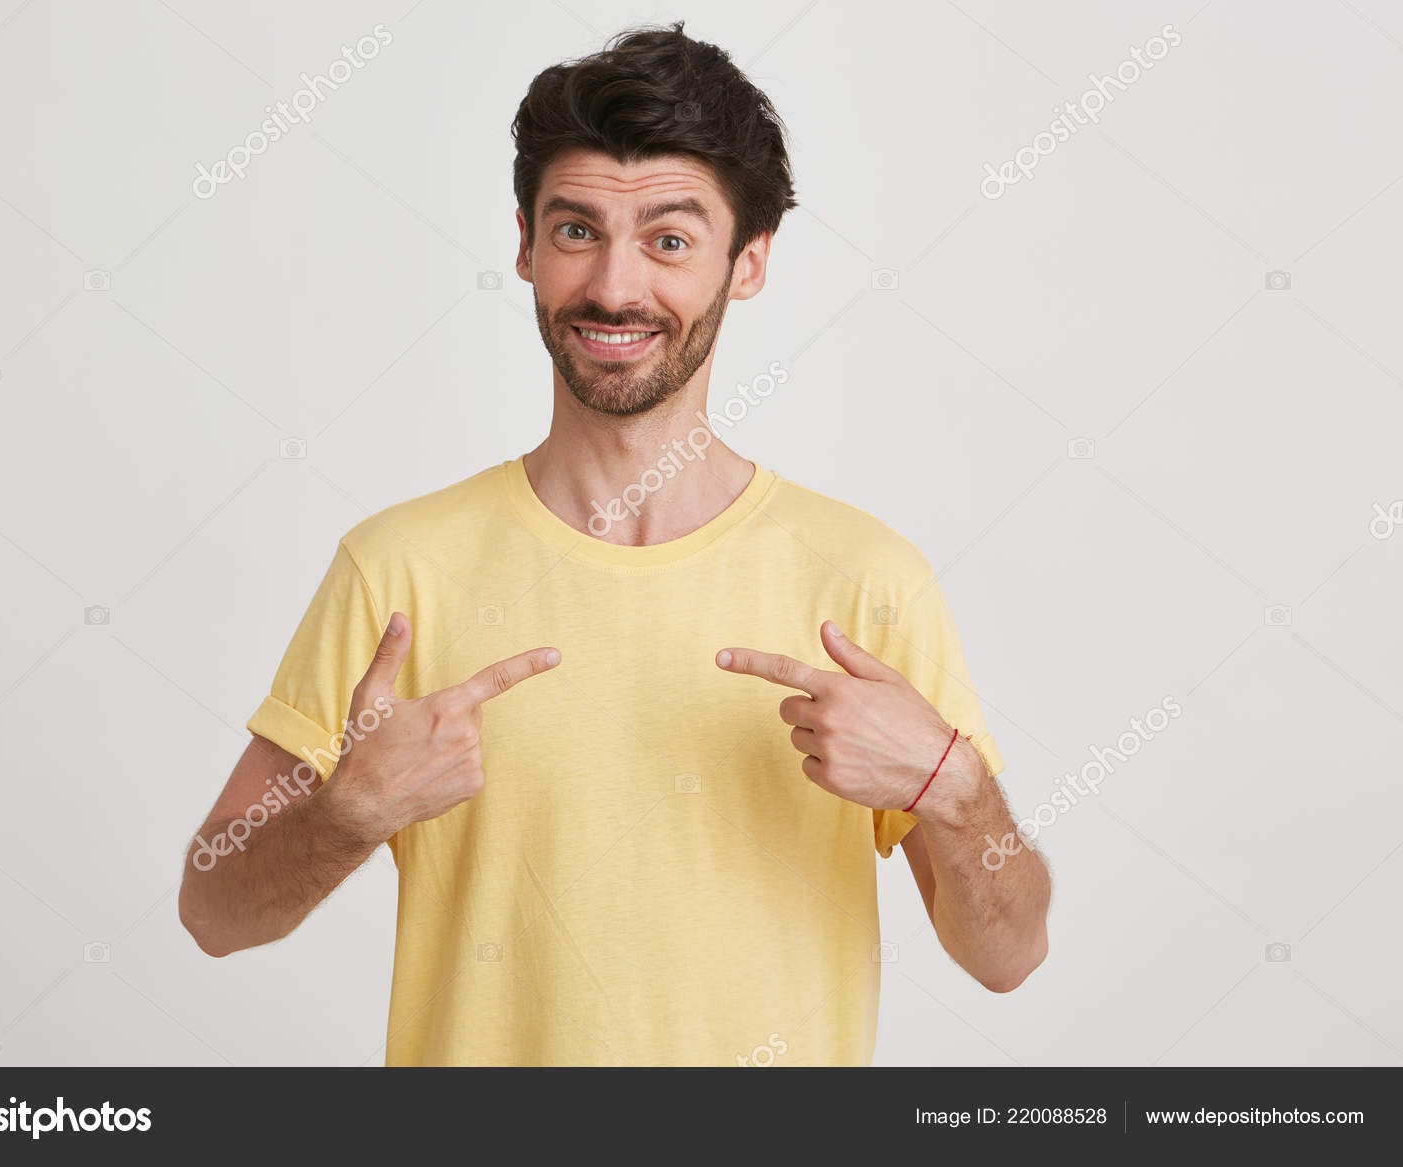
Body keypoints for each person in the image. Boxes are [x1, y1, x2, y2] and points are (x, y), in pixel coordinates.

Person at [179, 21, 1050, 1066]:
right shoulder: (398, 569)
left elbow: (1007, 954)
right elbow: (215, 911)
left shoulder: (865, 581)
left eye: (670, 240)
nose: (614, 288)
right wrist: (346, 814)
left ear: (749, 263)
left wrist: (951, 789)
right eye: (577, 230)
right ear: (524, 245)